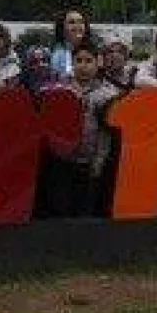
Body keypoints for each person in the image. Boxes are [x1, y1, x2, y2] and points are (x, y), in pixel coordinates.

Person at [45, 43, 119, 218]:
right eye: (78, 61)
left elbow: (105, 133)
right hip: (64, 162)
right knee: (62, 209)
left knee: (86, 211)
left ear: (97, 63)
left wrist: (99, 160)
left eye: (88, 61)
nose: (83, 66)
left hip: (91, 163)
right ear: (72, 63)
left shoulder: (108, 94)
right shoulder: (60, 90)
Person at [49, 9, 95, 80]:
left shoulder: (93, 49)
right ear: (62, 28)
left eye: (81, 22)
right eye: (72, 22)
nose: (77, 26)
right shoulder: (57, 53)